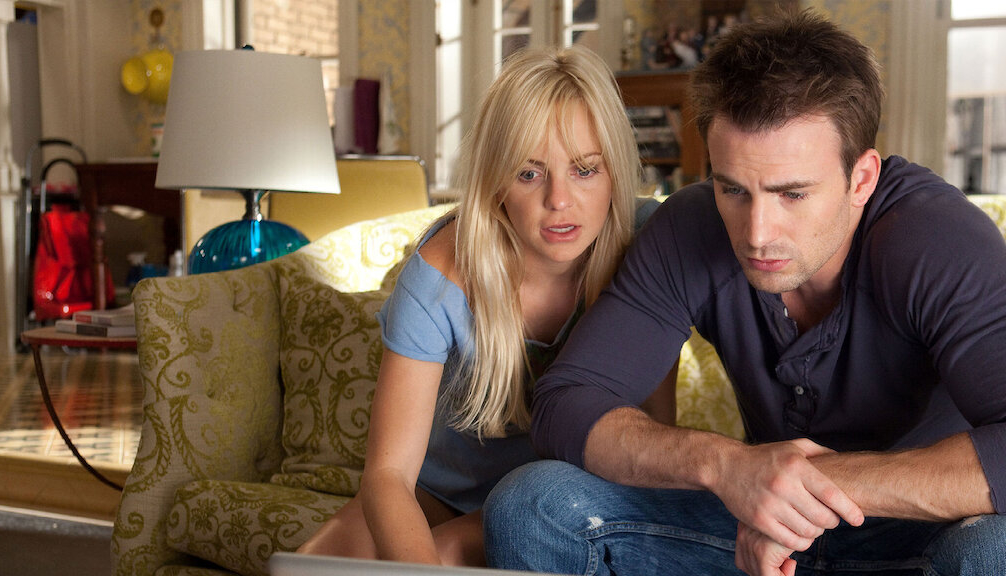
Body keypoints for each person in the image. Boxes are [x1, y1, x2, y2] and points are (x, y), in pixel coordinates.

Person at [484, 10, 1006, 576]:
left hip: (923, 533)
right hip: (748, 529)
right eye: (733, 189)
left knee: (993, 549)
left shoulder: (935, 237)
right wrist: (726, 467)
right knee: (532, 506)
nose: (756, 234)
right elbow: (566, 403)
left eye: (792, 194)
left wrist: (801, 485)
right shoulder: (691, 224)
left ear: (861, 179)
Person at [297, 44, 661, 566]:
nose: (559, 200)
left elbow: (654, 433)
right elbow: (388, 475)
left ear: (616, 172)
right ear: (495, 181)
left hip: (564, 494)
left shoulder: (648, 247)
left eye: (585, 170)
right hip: (437, 493)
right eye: (529, 173)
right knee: (311, 565)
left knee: (450, 553)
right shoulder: (439, 275)